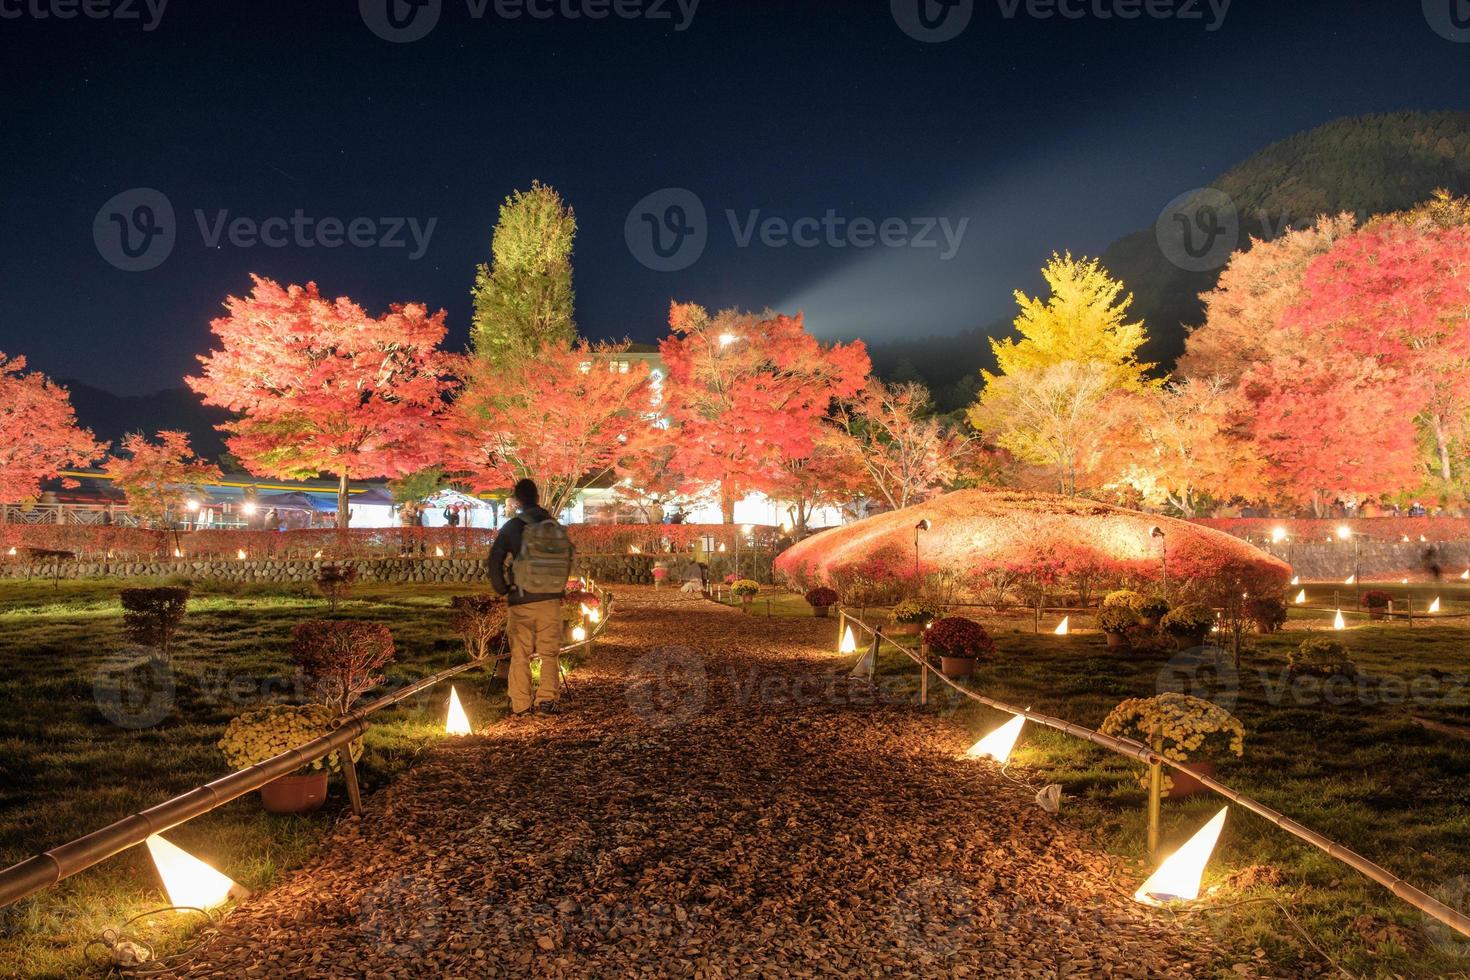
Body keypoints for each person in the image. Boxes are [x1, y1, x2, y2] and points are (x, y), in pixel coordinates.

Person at [489, 479, 574, 717]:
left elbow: (495, 558)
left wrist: (503, 588)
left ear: (517, 500)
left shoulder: (513, 526)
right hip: (550, 599)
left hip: (522, 598)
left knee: (520, 654)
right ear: (538, 497)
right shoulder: (554, 525)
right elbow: (568, 559)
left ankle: (521, 704)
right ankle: (546, 699)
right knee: (549, 654)